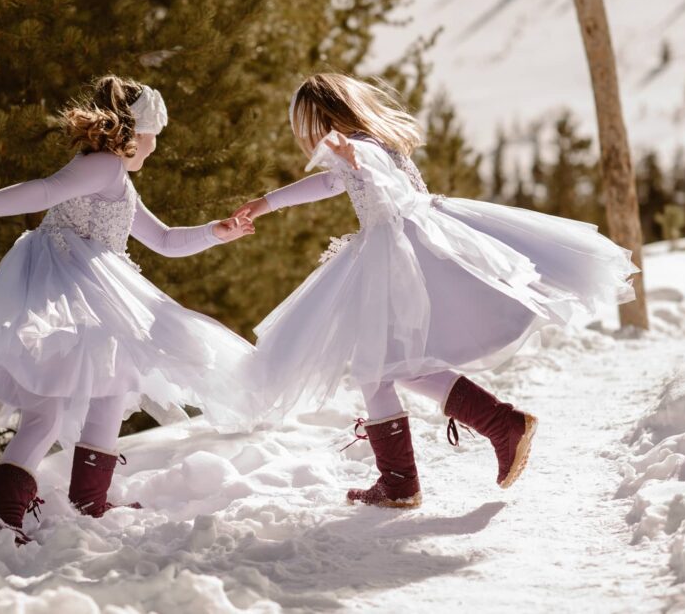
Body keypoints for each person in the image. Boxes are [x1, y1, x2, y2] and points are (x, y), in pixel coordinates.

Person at [0, 75, 256, 543]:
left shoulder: (117, 179)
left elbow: (165, 240)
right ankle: (4, 516)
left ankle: (90, 499)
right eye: (154, 136)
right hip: (68, 290)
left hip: (93, 289)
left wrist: (218, 231)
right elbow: (43, 192)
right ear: (136, 132)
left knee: (113, 383)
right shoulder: (103, 166)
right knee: (48, 409)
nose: (155, 146)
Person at [234, 73, 637, 509]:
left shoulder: (363, 148)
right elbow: (332, 183)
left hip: (399, 258)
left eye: (310, 126)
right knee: (393, 367)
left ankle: (418, 472)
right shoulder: (366, 146)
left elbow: (373, 173)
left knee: (379, 369)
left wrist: (354, 156)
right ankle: (490, 430)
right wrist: (266, 202)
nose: (309, 139)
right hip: (400, 252)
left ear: (328, 119)